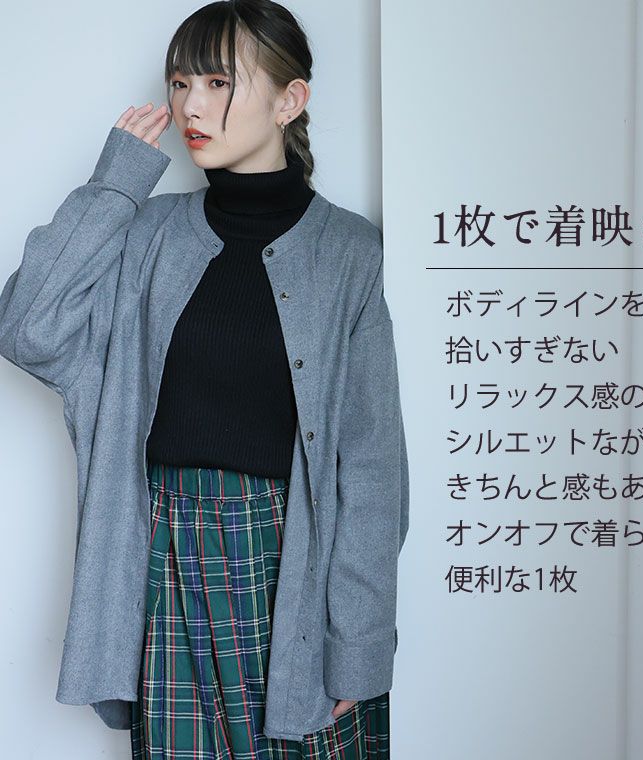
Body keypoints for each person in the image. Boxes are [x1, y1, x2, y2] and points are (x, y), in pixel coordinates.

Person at [0, 1, 409, 758]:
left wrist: (358, 642)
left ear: (289, 100)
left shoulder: (349, 253)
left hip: (288, 564)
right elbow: (28, 328)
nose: (190, 105)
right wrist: (115, 185)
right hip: (162, 554)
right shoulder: (148, 233)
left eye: (219, 83)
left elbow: (372, 469)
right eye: (181, 82)